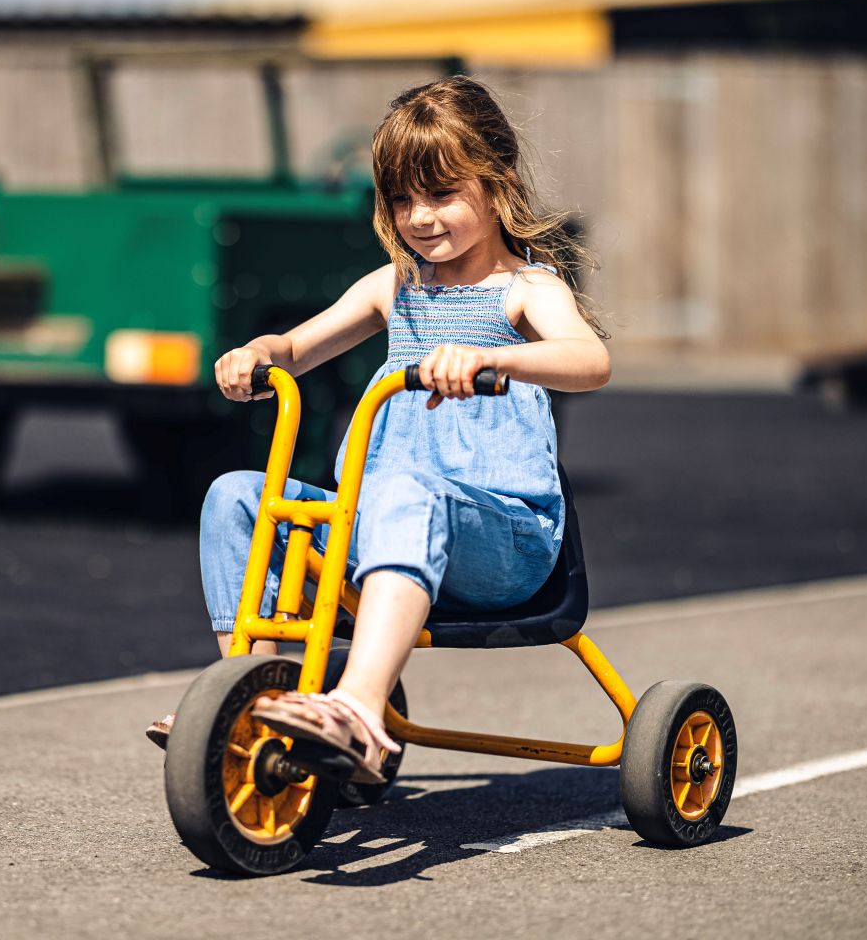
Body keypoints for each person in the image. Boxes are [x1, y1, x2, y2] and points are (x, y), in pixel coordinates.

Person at [145, 74, 611, 783]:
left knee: (404, 487)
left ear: (498, 184)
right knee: (236, 496)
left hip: (501, 542)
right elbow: (298, 348)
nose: (420, 217)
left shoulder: (528, 290)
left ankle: (360, 711)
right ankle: (252, 691)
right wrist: (258, 354)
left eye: (442, 193)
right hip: (388, 527)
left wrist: (495, 357)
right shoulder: (392, 287)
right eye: (402, 199)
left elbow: (590, 360)